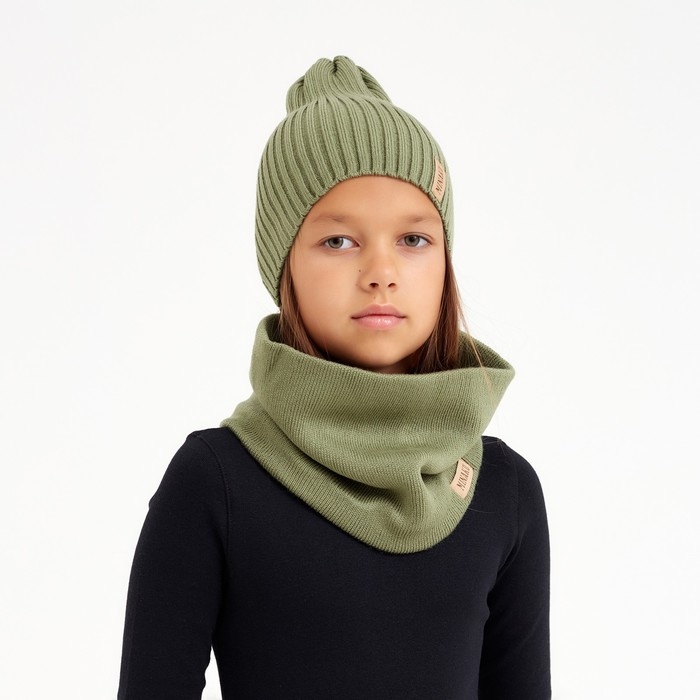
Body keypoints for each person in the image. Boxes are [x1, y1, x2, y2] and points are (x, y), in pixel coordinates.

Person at [117, 56, 550, 699]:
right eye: (339, 241)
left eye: (413, 239)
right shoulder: (215, 482)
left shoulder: (504, 492)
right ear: (283, 265)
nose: (382, 273)